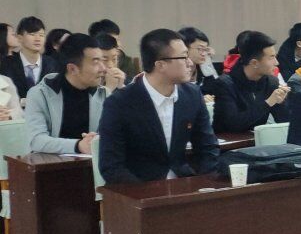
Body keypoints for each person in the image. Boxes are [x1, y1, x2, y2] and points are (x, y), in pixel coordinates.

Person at [98, 28, 219, 184]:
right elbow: (111, 167)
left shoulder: (192, 95)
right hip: (139, 188)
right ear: (160, 65)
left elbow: (208, 148)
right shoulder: (119, 103)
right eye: (183, 57)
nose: (190, 63)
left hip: (183, 183)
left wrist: (203, 184)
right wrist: (147, 192)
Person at [25, 33, 107, 154]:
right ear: (72, 69)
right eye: (95, 62)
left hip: (93, 163)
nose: (103, 68)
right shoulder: (39, 94)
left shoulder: (104, 94)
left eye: (102, 61)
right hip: (50, 163)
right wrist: (78, 145)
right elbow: (37, 140)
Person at [212, 31, 290, 133]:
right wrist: (268, 103)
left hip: (257, 141)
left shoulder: (271, 82)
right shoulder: (225, 84)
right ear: (254, 63)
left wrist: (282, 102)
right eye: (271, 57)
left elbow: (285, 122)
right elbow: (232, 124)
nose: (277, 62)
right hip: (227, 141)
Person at [0, 16, 61, 100]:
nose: (38, 39)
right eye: (32, 34)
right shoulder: (6, 64)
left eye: (41, 35)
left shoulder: (53, 64)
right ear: (20, 38)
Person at [177, 26, 218, 96]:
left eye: (206, 49)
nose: (204, 54)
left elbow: (215, 90)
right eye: (200, 49)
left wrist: (207, 64)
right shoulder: (175, 72)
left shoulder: (203, 68)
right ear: (185, 48)